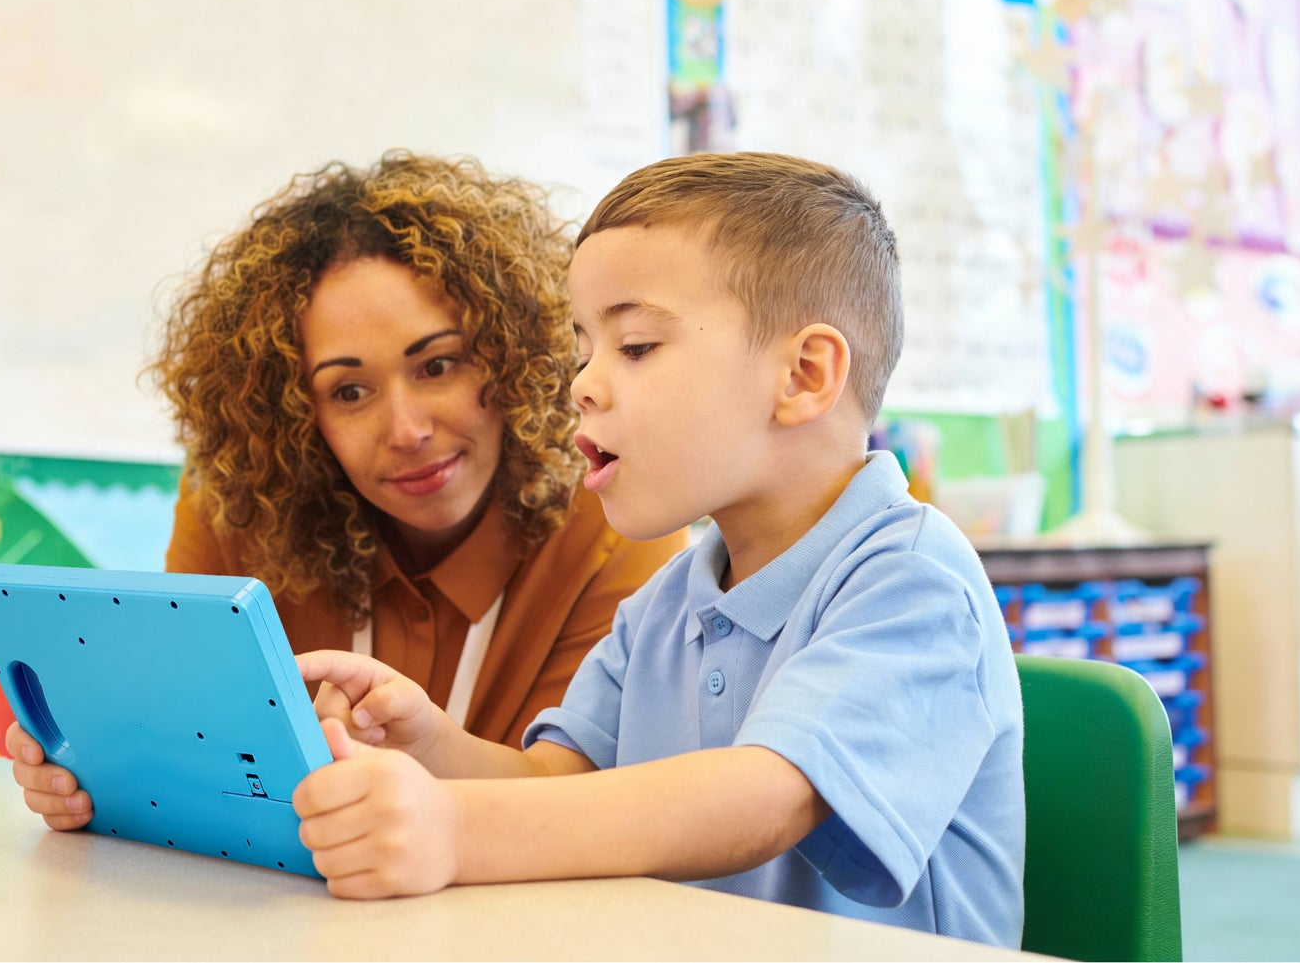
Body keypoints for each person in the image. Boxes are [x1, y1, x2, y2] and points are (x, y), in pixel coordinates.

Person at [285, 152, 1026, 947]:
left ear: (804, 375)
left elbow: (761, 798)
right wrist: (430, 746)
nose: (581, 383)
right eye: (583, 349)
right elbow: (554, 781)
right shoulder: (666, 604)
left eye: (634, 345)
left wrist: (459, 829)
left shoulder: (912, 580)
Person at [6, 153, 687, 824]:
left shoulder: (617, 518)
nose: (407, 430)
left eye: (438, 365)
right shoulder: (238, 503)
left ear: (517, 356)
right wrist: (105, 773)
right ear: (296, 417)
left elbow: (586, 802)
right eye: (349, 391)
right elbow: (187, 749)